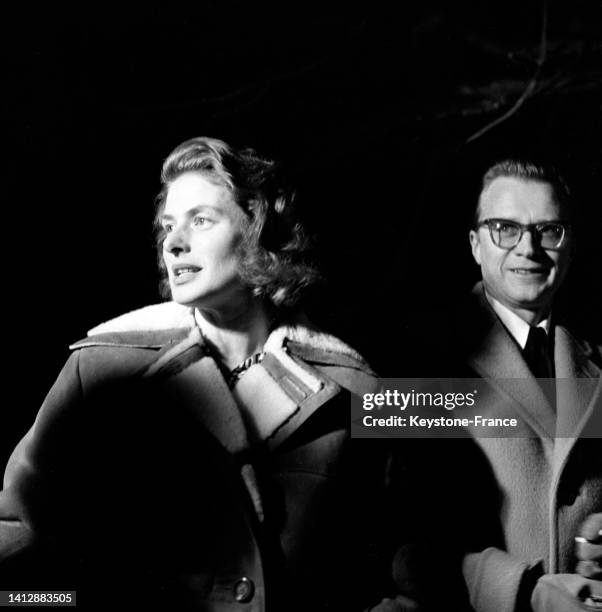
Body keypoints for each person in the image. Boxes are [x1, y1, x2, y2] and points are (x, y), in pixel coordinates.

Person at [0, 137, 415, 611]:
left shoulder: (356, 388)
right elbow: (18, 540)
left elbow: (406, 565)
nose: (174, 243)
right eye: (167, 227)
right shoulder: (100, 368)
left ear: (257, 231)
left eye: (200, 220)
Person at [396, 159, 601, 611]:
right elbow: (394, 541)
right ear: (474, 244)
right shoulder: (414, 359)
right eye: (505, 229)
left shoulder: (596, 357)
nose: (528, 248)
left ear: (570, 245)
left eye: (548, 230)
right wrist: (522, 591)